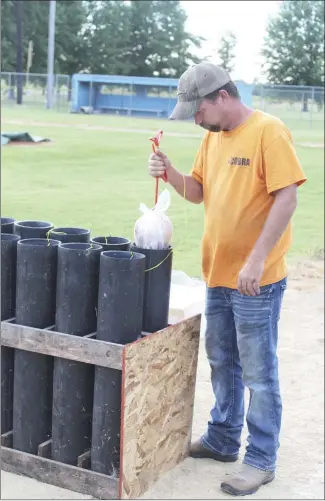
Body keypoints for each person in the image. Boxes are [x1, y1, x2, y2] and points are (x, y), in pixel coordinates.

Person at [148, 62, 307, 497]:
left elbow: (287, 199)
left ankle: (260, 458)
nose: (195, 120)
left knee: (258, 370)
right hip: (217, 273)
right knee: (223, 360)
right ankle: (222, 438)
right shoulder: (212, 139)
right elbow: (197, 191)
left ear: (221, 97)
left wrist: (257, 260)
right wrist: (169, 172)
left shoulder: (268, 132)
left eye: (197, 111)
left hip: (256, 279)